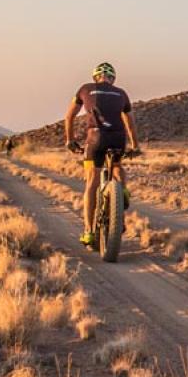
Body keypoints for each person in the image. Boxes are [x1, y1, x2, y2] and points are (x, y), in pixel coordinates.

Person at [63, 62, 141, 246]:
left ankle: (89, 231)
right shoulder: (122, 93)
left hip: (95, 139)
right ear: (112, 79)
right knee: (116, 165)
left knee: (92, 182)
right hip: (117, 138)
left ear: (95, 77)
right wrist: (135, 146)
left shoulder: (85, 89)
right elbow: (130, 123)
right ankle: (121, 192)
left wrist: (70, 140)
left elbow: (69, 117)